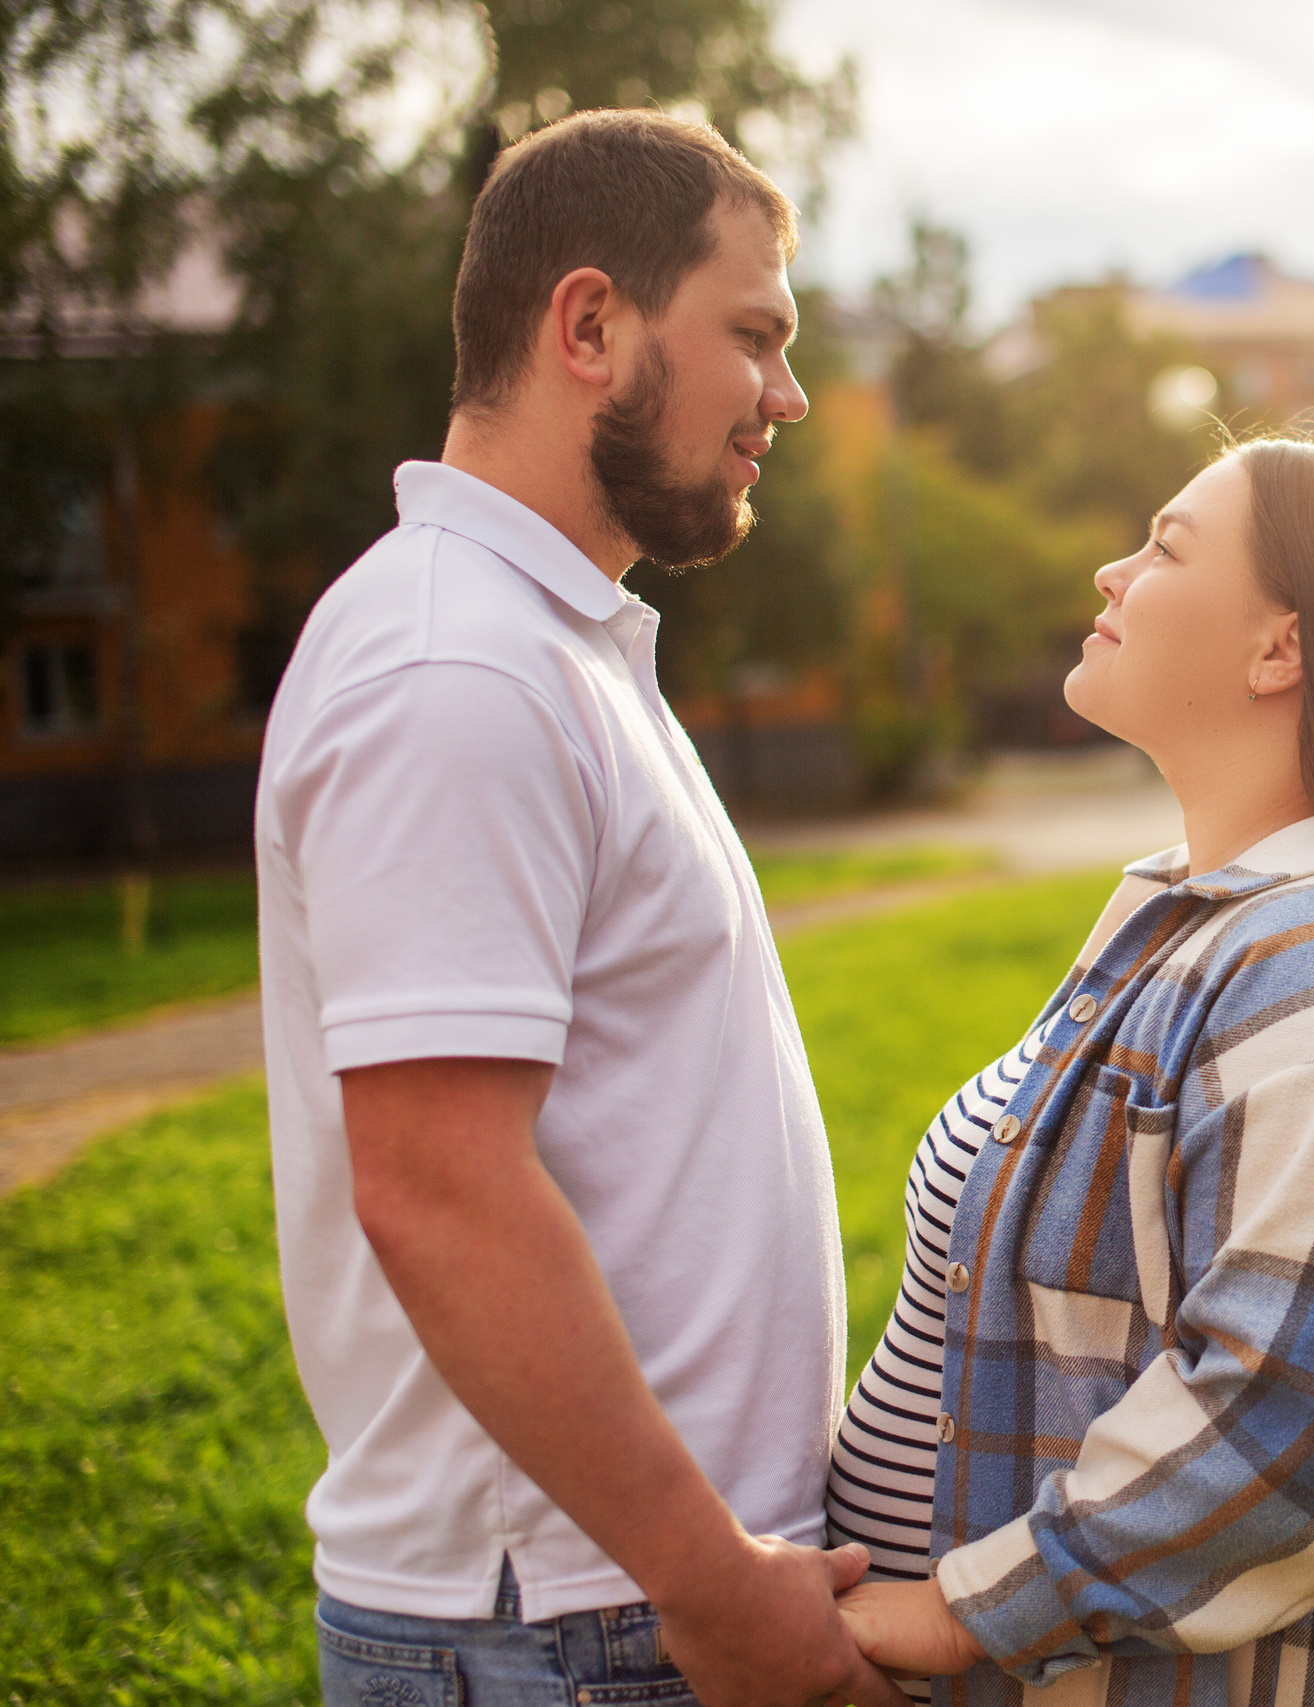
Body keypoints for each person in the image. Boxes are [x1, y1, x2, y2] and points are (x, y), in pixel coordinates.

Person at [255, 109, 900, 1707]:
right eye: (754, 335)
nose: (786, 395)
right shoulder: (455, 666)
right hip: (571, 1622)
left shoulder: (547, 641)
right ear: (591, 325)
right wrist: (710, 1581)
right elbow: (439, 1188)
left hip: (615, 1605)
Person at [822, 437, 1314, 1705]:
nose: (1111, 573)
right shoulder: (1198, 922)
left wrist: (962, 1613)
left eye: (1164, 546)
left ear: (1280, 649)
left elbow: (1278, 1433)